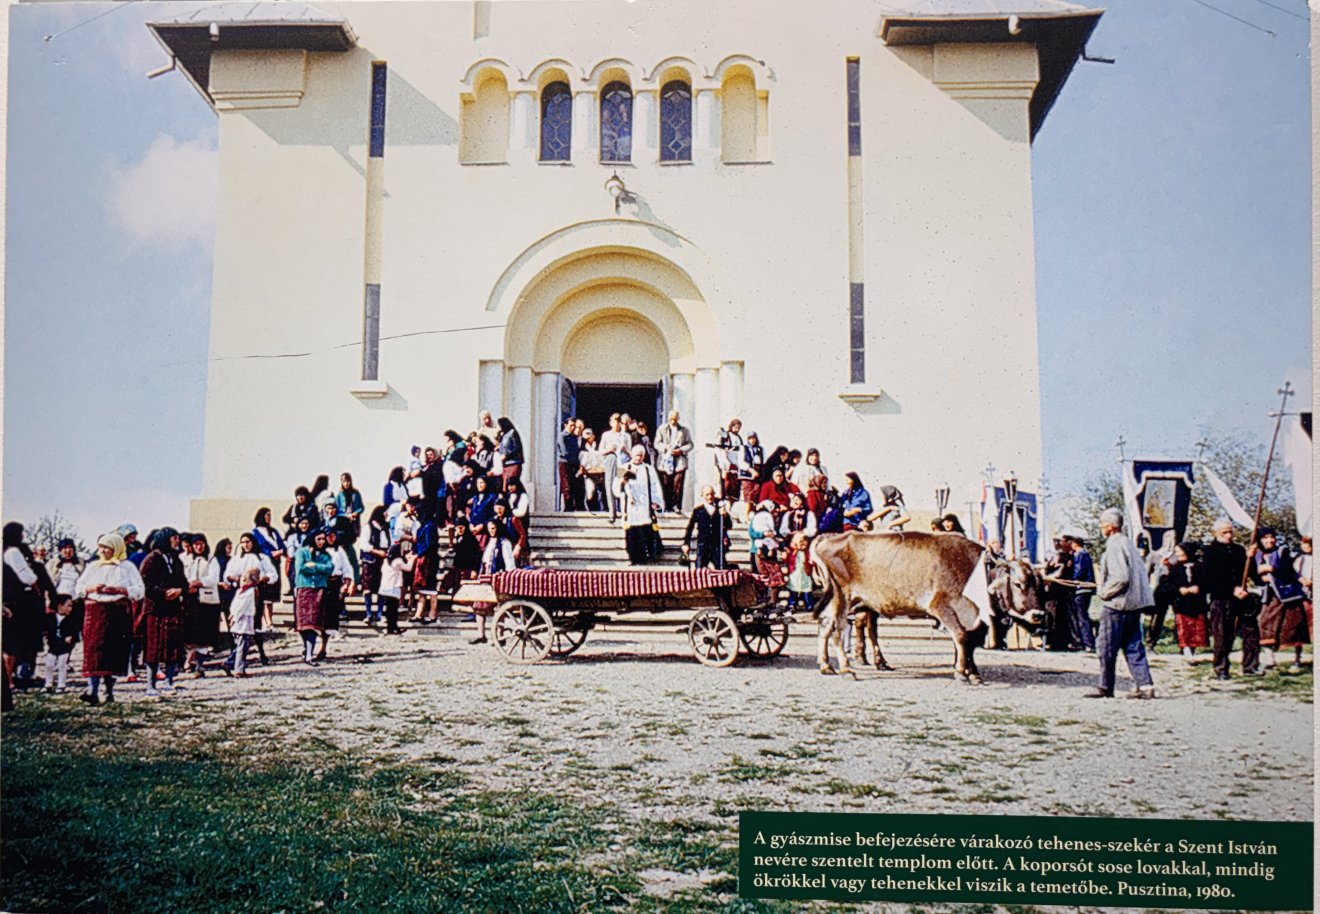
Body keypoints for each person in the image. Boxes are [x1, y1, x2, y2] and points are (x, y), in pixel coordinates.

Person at [1083, 508, 1156, 699]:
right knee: (1133, 646)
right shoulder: (1128, 543)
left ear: (1109, 526)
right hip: (1133, 605)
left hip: (1117, 605)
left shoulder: (1115, 545)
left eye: (1101, 523)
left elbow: (1121, 577)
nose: (1100, 527)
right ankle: (1146, 685)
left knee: (1106, 646)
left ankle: (1105, 686)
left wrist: (1104, 592)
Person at [73, 533, 143, 705]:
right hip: (95, 612)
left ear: (116, 548)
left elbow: (139, 590)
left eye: (107, 547)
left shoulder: (127, 567)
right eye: (101, 547)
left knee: (113, 651)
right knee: (94, 650)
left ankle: (109, 691)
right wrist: (92, 588)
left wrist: (120, 591)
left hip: (117, 612)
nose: (103, 551)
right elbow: (79, 588)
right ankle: (92, 690)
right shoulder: (93, 567)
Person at [1201, 518, 1261, 680]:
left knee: (1250, 632)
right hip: (1221, 599)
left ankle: (1250, 666)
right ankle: (1221, 668)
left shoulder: (1239, 550)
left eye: (1230, 532)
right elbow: (1208, 580)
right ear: (1216, 533)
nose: (1229, 535)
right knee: (1223, 635)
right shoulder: (1210, 552)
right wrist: (1231, 589)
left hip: (1241, 598)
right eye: (1225, 532)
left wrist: (1251, 558)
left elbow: (1249, 574)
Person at [139, 528, 188, 697]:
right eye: (174, 538)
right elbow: (145, 585)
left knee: (172, 646)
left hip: (172, 608)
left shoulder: (176, 560)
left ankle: (169, 681)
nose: (177, 541)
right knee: (154, 647)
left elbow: (184, 582)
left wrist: (180, 590)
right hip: (156, 609)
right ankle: (150, 684)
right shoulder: (151, 560)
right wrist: (163, 593)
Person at [1252, 527, 1308, 673]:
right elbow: (1254, 574)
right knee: (1265, 623)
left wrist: (1272, 569)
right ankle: (1270, 658)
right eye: (1265, 538)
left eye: (1271, 537)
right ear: (1260, 539)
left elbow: (1288, 572)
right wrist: (1260, 577)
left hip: (1288, 594)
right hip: (1270, 595)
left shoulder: (1282, 551)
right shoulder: (1256, 554)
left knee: (1292, 626)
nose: (1269, 540)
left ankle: (1297, 660)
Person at [615, 444, 664, 565]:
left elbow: (655, 486)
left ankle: (648, 556)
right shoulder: (623, 467)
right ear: (632, 454)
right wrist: (622, 483)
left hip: (645, 505)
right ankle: (633, 557)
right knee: (632, 532)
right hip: (630, 507)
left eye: (641, 456)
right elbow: (615, 487)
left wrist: (656, 502)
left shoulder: (649, 469)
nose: (638, 458)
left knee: (646, 530)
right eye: (637, 455)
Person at [1161, 542, 1208, 662]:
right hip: (1181, 604)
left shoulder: (1199, 567)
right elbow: (1168, 585)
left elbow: (1207, 582)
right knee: (1184, 628)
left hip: (1197, 603)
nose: (1178, 555)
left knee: (1196, 627)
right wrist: (1179, 589)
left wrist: (1199, 588)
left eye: (1181, 553)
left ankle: (1193, 648)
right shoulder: (1176, 569)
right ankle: (1186, 648)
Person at [293, 529, 335, 665]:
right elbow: (300, 568)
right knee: (303, 623)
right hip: (304, 589)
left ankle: (309, 654)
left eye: (323, 539)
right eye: (319, 539)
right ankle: (307, 648)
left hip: (318, 590)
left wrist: (314, 565)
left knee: (314, 623)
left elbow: (329, 569)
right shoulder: (301, 552)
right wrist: (318, 569)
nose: (322, 542)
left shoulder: (325, 555)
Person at [181, 533, 220, 677]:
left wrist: (200, 582)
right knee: (191, 634)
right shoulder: (188, 560)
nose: (199, 547)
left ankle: (199, 665)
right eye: (196, 544)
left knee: (204, 635)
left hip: (206, 601)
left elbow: (213, 578)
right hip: (192, 600)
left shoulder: (211, 560)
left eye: (201, 544)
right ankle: (190, 660)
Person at [474, 520, 517, 644]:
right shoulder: (490, 542)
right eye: (489, 528)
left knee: (499, 608)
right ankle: (481, 634)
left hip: (498, 577)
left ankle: (499, 635)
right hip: (486, 575)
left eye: (493, 528)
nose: (491, 531)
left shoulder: (504, 543)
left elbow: (509, 563)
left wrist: (506, 575)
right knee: (480, 605)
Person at [682, 486, 732, 569]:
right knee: (699, 567)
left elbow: (729, 525)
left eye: (711, 494)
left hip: (716, 544)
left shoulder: (720, 510)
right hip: (703, 544)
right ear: (702, 495)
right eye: (707, 494)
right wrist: (686, 543)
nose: (710, 497)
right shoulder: (698, 511)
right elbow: (690, 528)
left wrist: (725, 515)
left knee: (721, 568)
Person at [223, 567, 261, 678]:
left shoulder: (242, 591)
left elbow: (235, 605)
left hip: (239, 620)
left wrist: (232, 615)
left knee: (240, 646)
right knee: (242, 647)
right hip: (242, 621)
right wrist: (234, 616)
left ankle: (229, 663)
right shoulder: (249, 592)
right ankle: (238, 669)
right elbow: (241, 606)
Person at [654, 410, 694, 514]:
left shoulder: (684, 430)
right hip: (665, 460)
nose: (673, 421)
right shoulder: (662, 429)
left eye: (675, 419)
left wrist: (680, 450)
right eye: (671, 419)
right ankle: (667, 505)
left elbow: (690, 444)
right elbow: (657, 443)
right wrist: (666, 448)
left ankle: (676, 505)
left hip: (679, 461)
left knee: (678, 484)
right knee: (666, 483)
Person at [252, 507, 286, 628]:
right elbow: (257, 548)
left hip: (275, 564)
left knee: (271, 595)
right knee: (264, 595)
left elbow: (282, 545)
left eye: (270, 515)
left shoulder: (273, 531)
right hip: (264, 564)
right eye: (267, 515)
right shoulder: (255, 533)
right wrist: (271, 553)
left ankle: (269, 622)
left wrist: (281, 551)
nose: (269, 517)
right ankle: (263, 622)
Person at [1064, 534, 1097, 652]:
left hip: (1082, 588)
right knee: (1084, 616)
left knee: (1082, 617)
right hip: (1087, 588)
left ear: (1075, 544)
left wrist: (1071, 579)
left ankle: (1088, 643)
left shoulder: (1080, 555)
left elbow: (1079, 571)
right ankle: (1088, 642)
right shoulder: (1086, 555)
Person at [359, 505, 391, 626]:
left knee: (381, 587)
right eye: (385, 513)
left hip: (383, 562)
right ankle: (368, 613)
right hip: (370, 560)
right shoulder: (368, 527)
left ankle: (379, 613)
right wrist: (377, 552)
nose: (386, 516)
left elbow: (390, 543)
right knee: (368, 587)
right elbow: (363, 544)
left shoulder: (386, 529)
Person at [1144, 531, 1177, 648]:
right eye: (1168, 538)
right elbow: (1146, 572)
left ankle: (1181, 643)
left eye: (1174, 538)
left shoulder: (1178, 555)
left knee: (1179, 615)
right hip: (1160, 589)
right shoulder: (1155, 555)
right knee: (1157, 616)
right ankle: (1150, 642)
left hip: (1175, 589)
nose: (1171, 541)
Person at [377, 542, 416, 635]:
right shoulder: (397, 560)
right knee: (393, 609)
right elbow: (408, 568)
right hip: (393, 587)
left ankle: (392, 627)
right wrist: (411, 559)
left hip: (385, 586)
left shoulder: (386, 561)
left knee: (390, 608)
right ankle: (392, 627)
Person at [43, 594, 79, 694]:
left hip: (65, 646)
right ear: (60, 606)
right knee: (49, 664)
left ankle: (61, 684)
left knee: (62, 665)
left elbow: (75, 631)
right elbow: (46, 629)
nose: (70, 608)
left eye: (71, 606)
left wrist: (71, 637)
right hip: (53, 644)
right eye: (68, 605)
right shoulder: (50, 618)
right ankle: (48, 683)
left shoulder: (72, 619)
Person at [599, 413, 629, 522]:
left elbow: (631, 453)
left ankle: (624, 512)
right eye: (614, 421)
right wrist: (609, 450)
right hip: (611, 460)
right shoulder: (606, 435)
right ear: (611, 423)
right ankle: (612, 512)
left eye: (619, 421)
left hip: (622, 463)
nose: (617, 424)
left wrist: (625, 450)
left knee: (622, 486)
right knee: (610, 485)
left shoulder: (625, 436)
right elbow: (600, 451)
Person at [46, 539, 86, 605]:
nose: (68, 550)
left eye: (70, 547)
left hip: (76, 599)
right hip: (58, 599)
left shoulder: (81, 563)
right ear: (60, 550)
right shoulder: (52, 563)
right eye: (65, 548)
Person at [577, 429, 606, 512]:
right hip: (588, 476)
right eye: (586, 434)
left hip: (600, 475)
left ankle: (602, 510)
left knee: (601, 493)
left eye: (590, 434)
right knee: (590, 494)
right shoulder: (582, 452)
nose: (589, 436)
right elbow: (582, 468)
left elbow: (603, 463)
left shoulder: (599, 449)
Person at [785, 533, 815, 612]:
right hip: (795, 573)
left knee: (807, 589)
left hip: (805, 573)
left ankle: (809, 604)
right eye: (800, 541)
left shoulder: (807, 552)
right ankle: (792, 604)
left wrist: (812, 562)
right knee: (794, 589)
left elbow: (811, 561)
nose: (802, 543)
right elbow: (789, 560)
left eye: (804, 541)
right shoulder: (793, 552)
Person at [557, 417, 582, 512]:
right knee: (566, 486)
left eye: (574, 426)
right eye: (571, 425)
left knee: (574, 485)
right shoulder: (562, 436)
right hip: (565, 463)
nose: (573, 428)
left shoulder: (573, 437)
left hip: (574, 464)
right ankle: (568, 507)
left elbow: (577, 451)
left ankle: (574, 506)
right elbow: (564, 452)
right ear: (565, 425)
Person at [506, 478, 532, 566]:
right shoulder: (508, 496)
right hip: (510, 524)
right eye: (509, 486)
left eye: (512, 485)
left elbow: (521, 511)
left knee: (522, 541)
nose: (510, 488)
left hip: (521, 522)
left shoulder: (523, 495)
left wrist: (510, 512)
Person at [496, 417, 524, 491]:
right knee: (504, 486)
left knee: (511, 484)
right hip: (505, 464)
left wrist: (507, 456)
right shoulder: (504, 435)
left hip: (513, 462)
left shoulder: (512, 433)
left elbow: (517, 447)